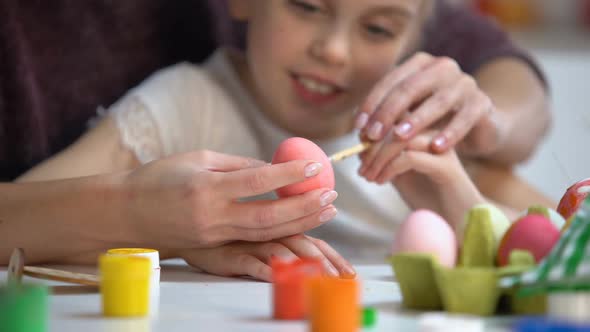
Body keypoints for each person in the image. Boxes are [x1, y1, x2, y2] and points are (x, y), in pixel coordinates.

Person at [0, 0, 551, 280]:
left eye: (379, 28)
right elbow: (16, 227)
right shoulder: (185, 107)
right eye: (307, 5)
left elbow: (567, 250)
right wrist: (160, 233)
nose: (334, 51)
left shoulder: (426, 143)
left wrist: (463, 207)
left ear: (411, 41)